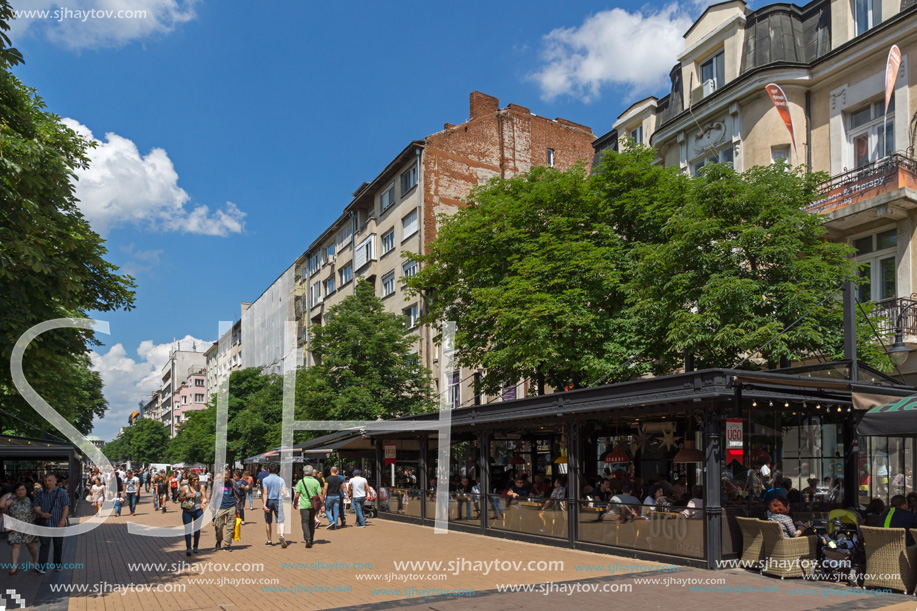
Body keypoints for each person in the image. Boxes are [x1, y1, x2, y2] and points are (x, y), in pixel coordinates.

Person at [32, 474, 69, 573]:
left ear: (55, 481)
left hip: (57, 523)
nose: (47, 483)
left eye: (49, 481)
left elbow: (66, 507)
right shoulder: (41, 493)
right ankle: (42, 567)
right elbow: (35, 506)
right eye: (45, 481)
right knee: (44, 545)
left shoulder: (61, 493)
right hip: (45, 523)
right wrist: (42, 514)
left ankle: (57, 565)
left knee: (58, 545)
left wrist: (62, 520)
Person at [1, 483, 39, 575]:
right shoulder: (12, 500)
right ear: (15, 491)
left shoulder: (31, 499)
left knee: (30, 546)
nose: (20, 492)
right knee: (16, 545)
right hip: (15, 527)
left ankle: (35, 561)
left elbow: (37, 510)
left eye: (23, 489)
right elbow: (1, 505)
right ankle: (14, 567)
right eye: (18, 490)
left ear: (26, 491)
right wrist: (7, 494)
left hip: (28, 526)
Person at [293, 465, 323, 548]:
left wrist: (295, 503)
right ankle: (311, 539)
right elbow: (320, 494)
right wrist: (322, 504)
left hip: (304, 505)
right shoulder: (316, 482)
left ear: (304, 472)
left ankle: (307, 539)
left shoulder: (301, 481)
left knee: (304, 522)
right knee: (311, 522)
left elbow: (297, 495)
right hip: (313, 505)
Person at [178, 473, 207, 556]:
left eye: (198, 479)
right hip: (187, 511)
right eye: (195, 480)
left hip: (198, 510)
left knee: (197, 530)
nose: (197, 481)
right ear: (190, 480)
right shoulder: (185, 488)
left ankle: (196, 546)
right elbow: (180, 498)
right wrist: (187, 496)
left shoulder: (201, 487)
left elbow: (204, 498)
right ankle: (188, 548)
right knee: (188, 530)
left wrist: (203, 502)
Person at [262, 463, 287, 548]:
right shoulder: (281, 480)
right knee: (281, 520)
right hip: (278, 501)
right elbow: (285, 493)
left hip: (269, 500)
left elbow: (265, 493)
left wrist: (264, 505)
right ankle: (282, 536)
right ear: (277, 471)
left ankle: (269, 541)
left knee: (268, 521)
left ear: (268, 470)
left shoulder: (265, 480)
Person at [213, 468, 237, 552]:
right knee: (218, 526)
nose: (225, 479)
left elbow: (236, 494)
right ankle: (219, 540)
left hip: (231, 506)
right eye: (224, 477)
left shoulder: (232, 482)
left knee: (230, 527)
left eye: (227, 477)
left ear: (229, 477)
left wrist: (238, 507)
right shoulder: (217, 483)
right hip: (220, 507)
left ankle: (227, 545)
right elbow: (213, 495)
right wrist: (212, 505)